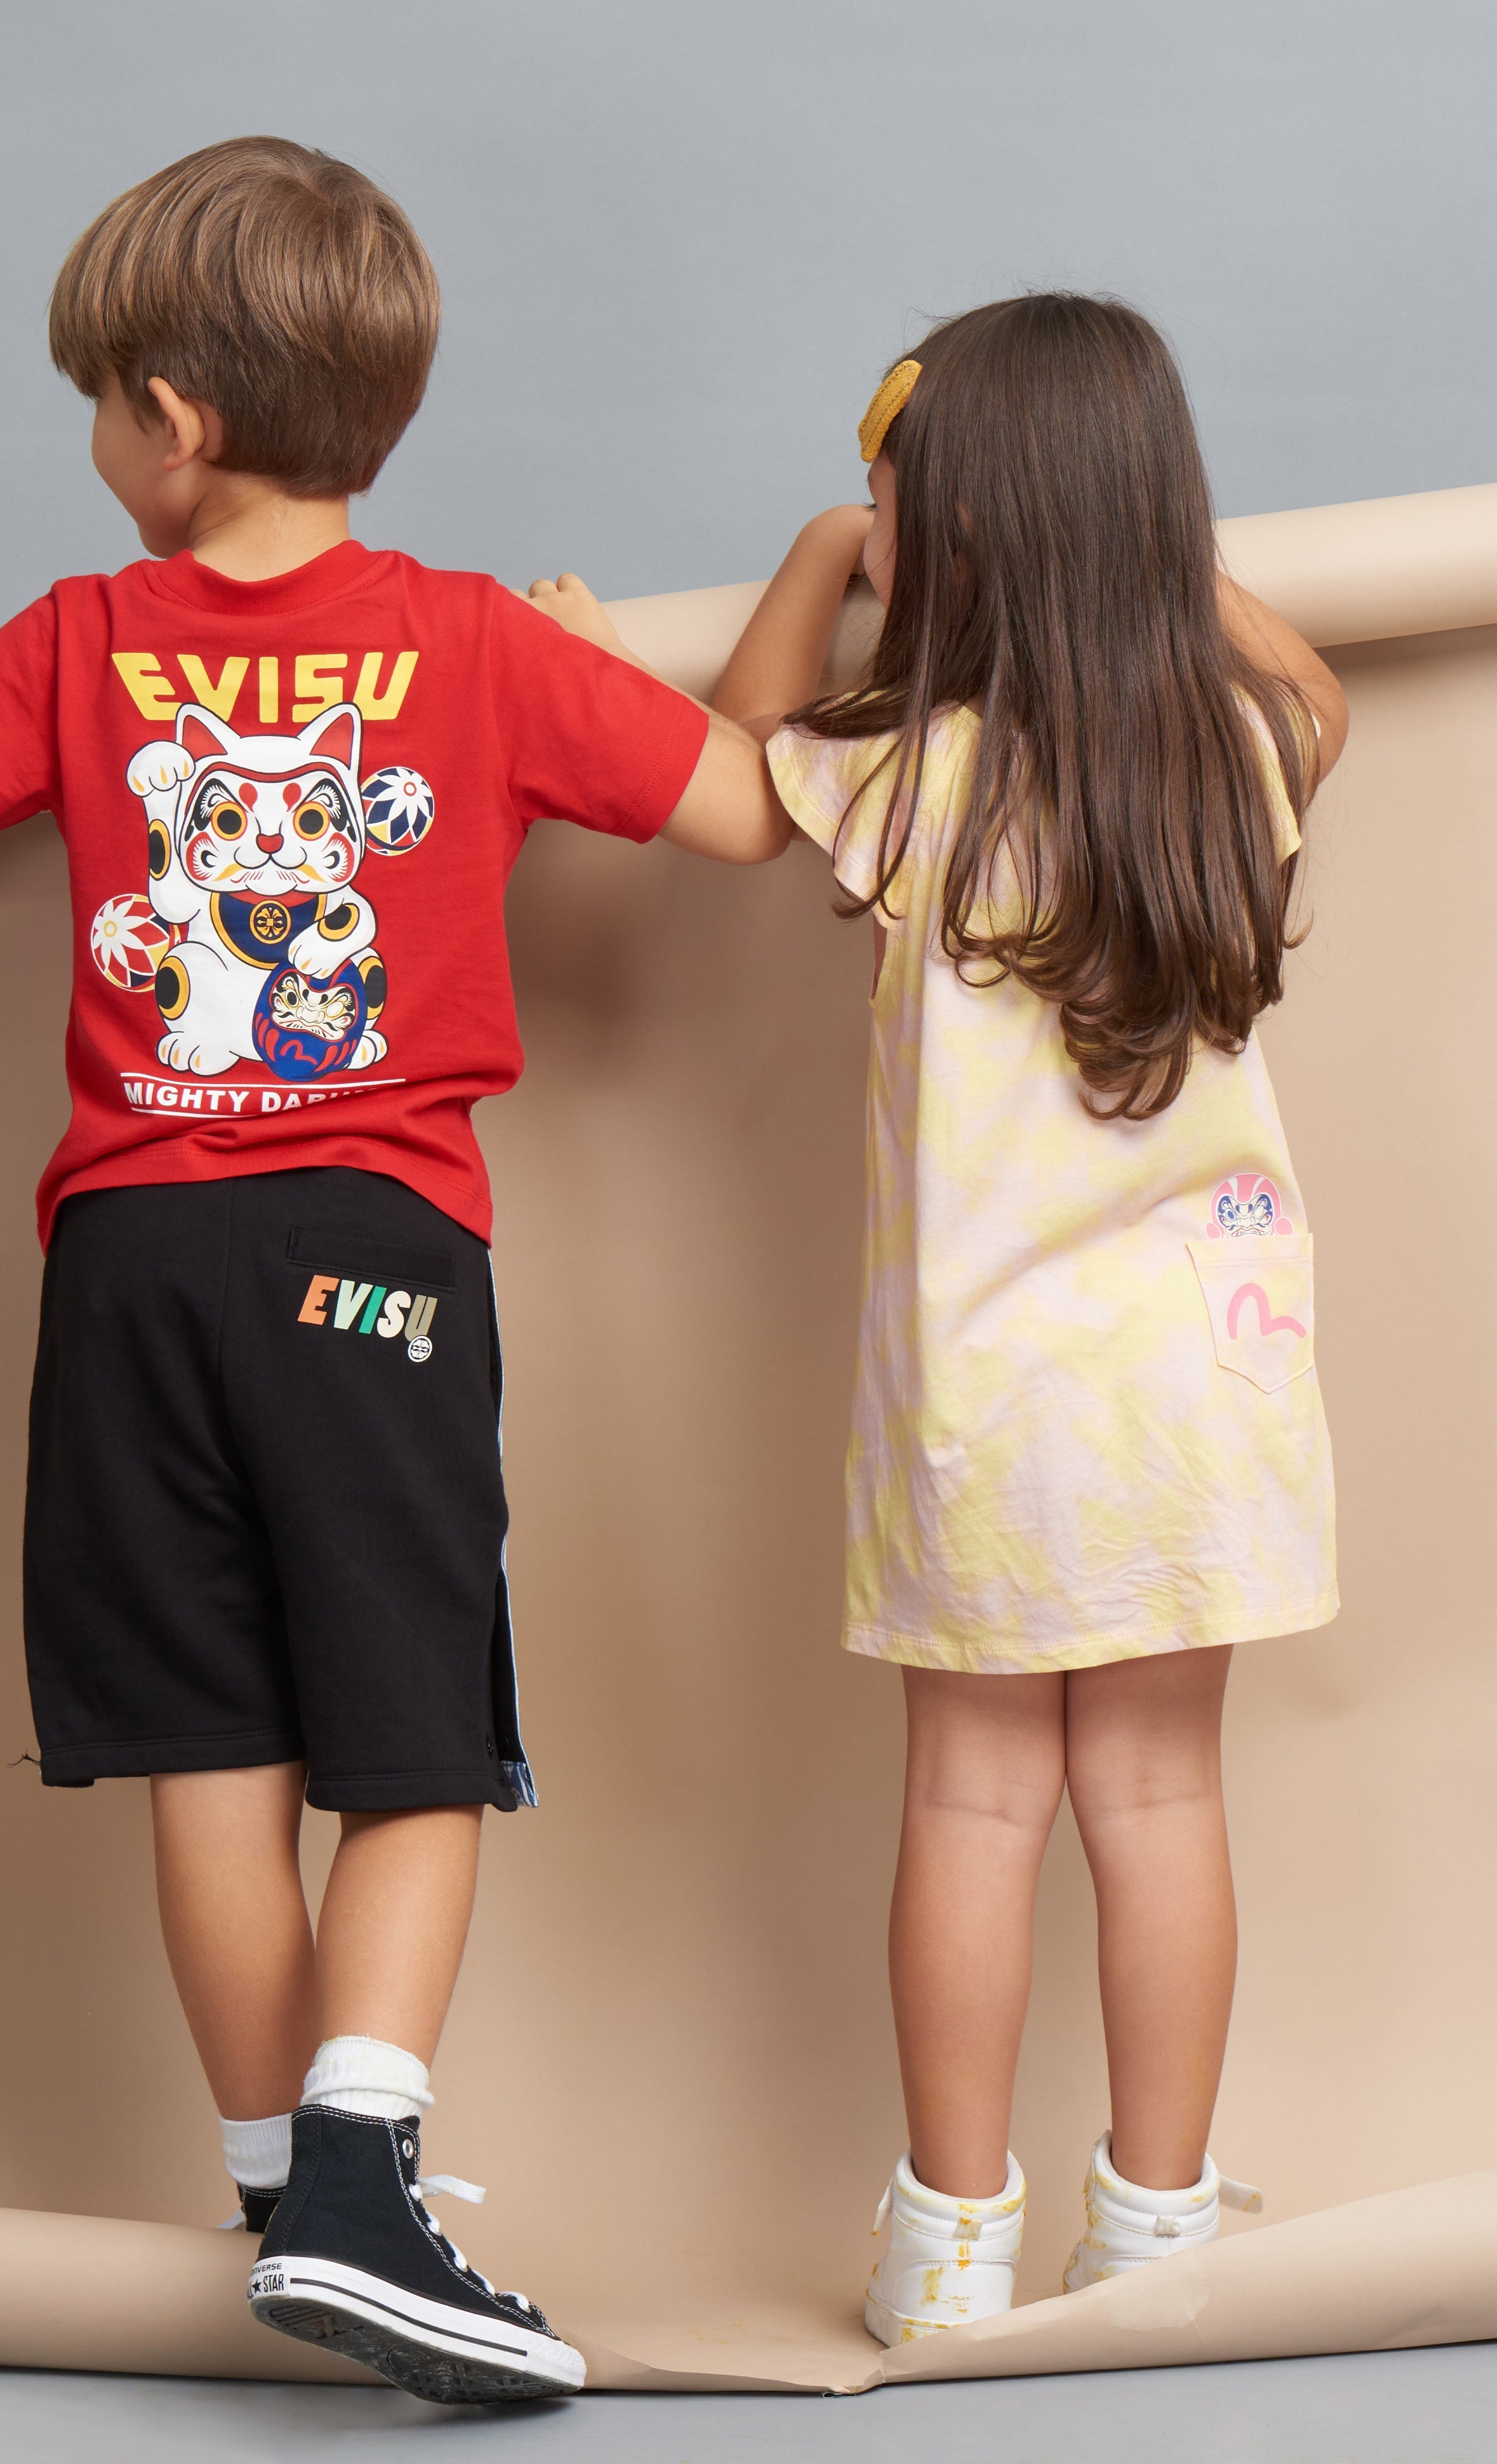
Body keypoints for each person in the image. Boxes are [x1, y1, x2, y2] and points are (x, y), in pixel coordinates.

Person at [0, 137, 789, 2402]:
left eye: (94, 402)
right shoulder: (483, 645)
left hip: (129, 1267)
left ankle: (279, 2204)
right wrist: (615, 667)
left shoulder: (66, 644)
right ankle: (356, 2182)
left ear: (171, 416)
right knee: (411, 1742)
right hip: (371, 1261)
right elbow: (746, 813)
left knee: (209, 1751)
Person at [532, 293, 1345, 2338]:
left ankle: (949, 2243)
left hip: (988, 1400)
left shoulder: (919, 783)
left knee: (977, 1802)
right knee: (1162, 1799)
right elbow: (1311, 682)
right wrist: (1137, 545)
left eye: (895, 500)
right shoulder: (1234, 753)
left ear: (948, 533)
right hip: (1210, 1385)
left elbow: (727, 774)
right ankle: (1156, 2231)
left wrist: (825, 552)